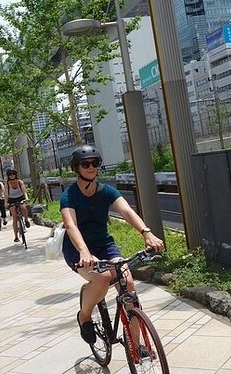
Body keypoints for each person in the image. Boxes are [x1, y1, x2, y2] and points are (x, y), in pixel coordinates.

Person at [60, 145, 164, 344]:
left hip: (104, 245)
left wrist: (146, 232)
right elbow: (71, 225)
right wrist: (84, 252)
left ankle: (136, 345)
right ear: (77, 168)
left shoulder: (107, 191)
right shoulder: (69, 195)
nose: (91, 167)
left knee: (128, 283)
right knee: (102, 278)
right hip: (77, 248)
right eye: (86, 164)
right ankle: (84, 316)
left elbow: (127, 212)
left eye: (95, 163)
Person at [4, 168, 30, 243]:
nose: (12, 176)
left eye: (13, 174)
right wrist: (6, 203)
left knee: (23, 207)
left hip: (20, 197)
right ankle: (16, 236)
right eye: (10, 174)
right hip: (11, 199)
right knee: (15, 217)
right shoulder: (7, 184)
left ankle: (26, 220)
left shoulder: (20, 182)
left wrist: (26, 198)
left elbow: (24, 191)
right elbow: (6, 194)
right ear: (8, 176)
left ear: (15, 174)